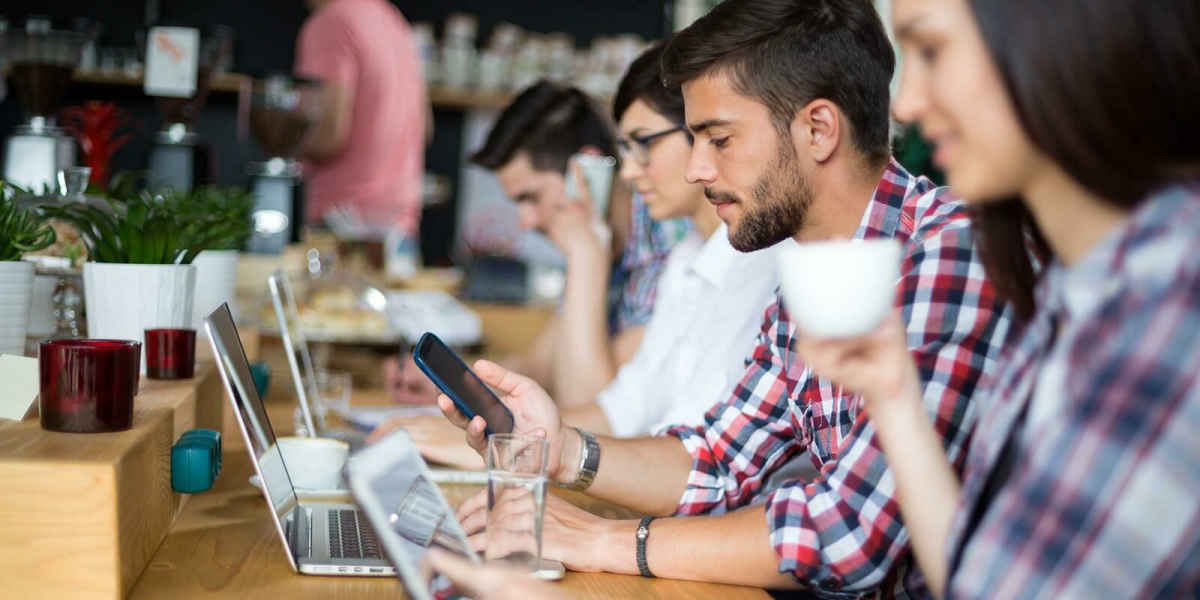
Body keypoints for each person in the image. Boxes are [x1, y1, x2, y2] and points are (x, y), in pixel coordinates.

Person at [441, 0, 1013, 595]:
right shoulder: (813, 266)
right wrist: (560, 450)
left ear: (818, 130)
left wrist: (601, 540)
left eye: (719, 139)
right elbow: (716, 459)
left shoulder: (945, 253)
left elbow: (847, 534)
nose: (695, 170)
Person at [792, 0, 1200, 597]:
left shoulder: (1166, 307)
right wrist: (894, 397)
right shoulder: (1082, 280)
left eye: (931, 51)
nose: (905, 103)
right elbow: (980, 573)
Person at [368, 82, 691, 464]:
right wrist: (456, 386)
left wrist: (586, 254)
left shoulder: (669, 244)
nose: (525, 221)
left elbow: (595, 407)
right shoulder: (607, 236)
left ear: (585, 173)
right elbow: (543, 360)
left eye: (531, 198)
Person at [558, 40, 779, 437]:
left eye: (644, 143)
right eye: (624, 150)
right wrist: (513, 432)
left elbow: (699, 455)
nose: (628, 171)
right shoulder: (686, 258)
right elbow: (628, 406)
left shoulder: (762, 262)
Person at [295, 0, 428, 237]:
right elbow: (425, 127)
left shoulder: (331, 22)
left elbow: (328, 138)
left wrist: (283, 138)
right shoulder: (392, 19)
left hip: (342, 223)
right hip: (400, 226)